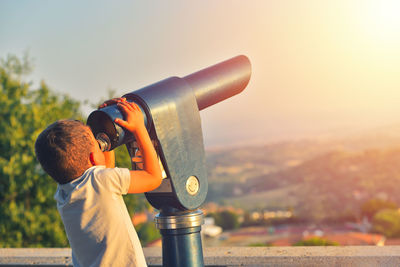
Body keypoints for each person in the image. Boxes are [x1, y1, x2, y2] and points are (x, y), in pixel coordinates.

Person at [35, 98, 162, 267]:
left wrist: (105, 129)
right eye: (97, 143)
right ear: (93, 157)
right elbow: (152, 177)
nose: (100, 144)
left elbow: (103, 170)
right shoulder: (100, 181)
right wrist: (139, 128)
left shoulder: (64, 193)